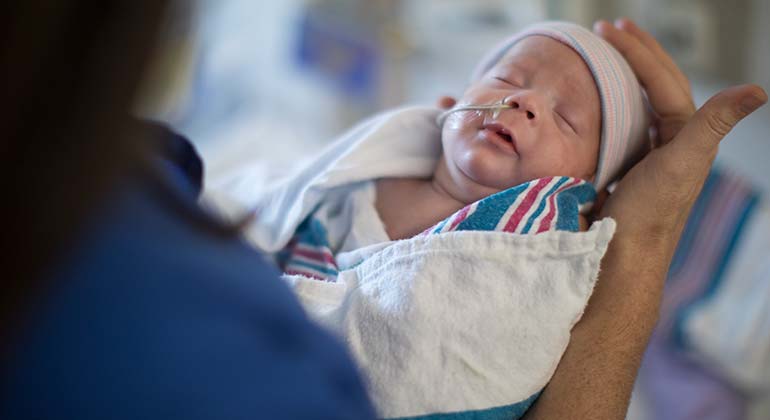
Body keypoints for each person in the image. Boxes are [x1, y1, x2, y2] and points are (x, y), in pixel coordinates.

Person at [0, 0, 766, 418]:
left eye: (567, 121)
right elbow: (280, 205)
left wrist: (637, 230)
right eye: (508, 80)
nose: (526, 103)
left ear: (587, 193)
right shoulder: (369, 171)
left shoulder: (527, 239)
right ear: (444, 105)